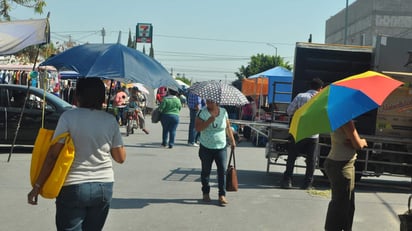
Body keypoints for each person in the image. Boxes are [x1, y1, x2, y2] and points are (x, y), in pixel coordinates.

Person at [27, 78, 126, 231]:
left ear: (78, 96)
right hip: (104, 186)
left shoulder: (68, 117)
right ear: (102, 97)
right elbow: (120, 158)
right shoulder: (110, 120)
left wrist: (37, 186)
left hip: (73, 186)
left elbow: (53, 156)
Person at [281, 77, 324, 189]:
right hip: (314, 134)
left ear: (310, 87)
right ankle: (307, 184)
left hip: (298, 132)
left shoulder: (300, 96)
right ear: (320, 88)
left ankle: (287, 181)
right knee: (311, 160)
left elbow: (289, 111)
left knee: (292, 157)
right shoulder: (322, 98)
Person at [324, 120, 367, 231]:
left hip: (336, 161)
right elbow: (358, 144)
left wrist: (353, 142)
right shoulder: (346, 119)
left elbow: (349, 141)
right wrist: (363, 141)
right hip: (342, 164)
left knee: (346, 204)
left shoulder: (336, 116)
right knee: (341, 205)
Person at [195, 99, 236, 206]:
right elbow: (198, 128)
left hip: (221, 146)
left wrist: (232, 140)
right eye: (207, 101)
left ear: (216, 102)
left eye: (211, 101)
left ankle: (222, 195)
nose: (208, 103)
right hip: (206, 147)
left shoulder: (223, 111)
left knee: (222, 171)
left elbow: (227, 127)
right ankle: (205, 192)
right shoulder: (202, 112)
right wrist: (208, 121)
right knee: (206, 171)